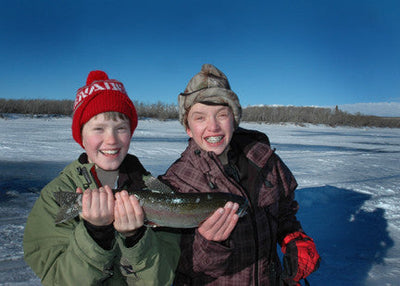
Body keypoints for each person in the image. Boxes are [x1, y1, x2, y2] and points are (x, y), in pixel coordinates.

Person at [160, 64, 320, 285]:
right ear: (188, 127)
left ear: (234, 120)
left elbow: (284, 209)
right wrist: (211, 244)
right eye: (200, 117)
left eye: (222, 114)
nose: (213, 127)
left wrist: (294, 237)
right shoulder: (177, 182)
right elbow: (180, 267)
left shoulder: (264, 159)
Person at [23, 70, 180, 285]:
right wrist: (95, 235)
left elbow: (163, 278)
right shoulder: (54, 196)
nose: (111, 140)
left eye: (121, 129)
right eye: (98, 129)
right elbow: (57, 279)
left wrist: (136, 239)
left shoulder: (156, 189)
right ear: (81, 135)